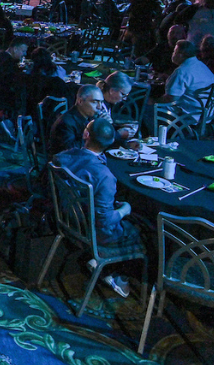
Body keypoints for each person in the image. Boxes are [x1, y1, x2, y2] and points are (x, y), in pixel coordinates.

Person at [55, 118, 140, 297]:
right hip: (92, 233)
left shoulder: (62, 157)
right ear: (110, 143)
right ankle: (115, 273)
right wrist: (125, 209)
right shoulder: (105, 177)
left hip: (66, 218)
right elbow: (105, 222)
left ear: (85, 134)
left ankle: (101, 262)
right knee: (142, 229)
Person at [153, 40, 214, 124]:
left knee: (147, 109)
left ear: (181, 54)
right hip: (206, 115)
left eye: (174, 52)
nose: (172, 54)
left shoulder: (182, 70)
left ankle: (156, 136)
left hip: (189, 116)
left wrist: (153, 101)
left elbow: (171, 99)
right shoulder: (201, 66)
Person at [48, 85, 105, 156]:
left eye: (101, 102)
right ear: (80, 101)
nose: (99, 107)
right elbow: (70, 151)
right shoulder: (66, 122)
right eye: (94, 102)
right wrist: (89, 136)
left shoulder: (90, 116)